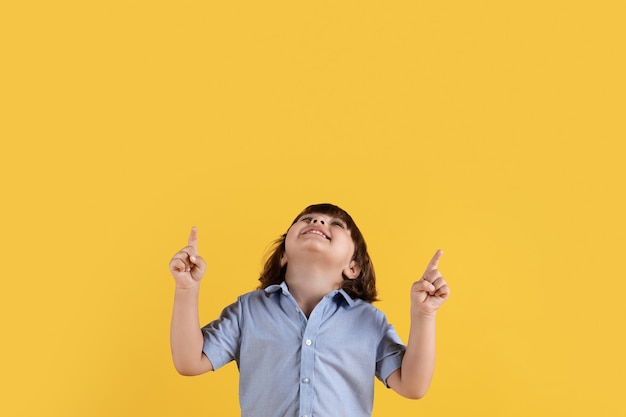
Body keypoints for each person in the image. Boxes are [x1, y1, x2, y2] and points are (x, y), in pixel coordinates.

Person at [169, 203, 450, 417]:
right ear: (283, 256)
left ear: (353, 267)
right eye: (306, 219)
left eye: (336, 224)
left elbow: (412, 386)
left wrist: (424, 315)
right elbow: (189, 362)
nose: (317, 221)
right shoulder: (248, 310)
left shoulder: (369, 321)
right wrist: (186, 289)